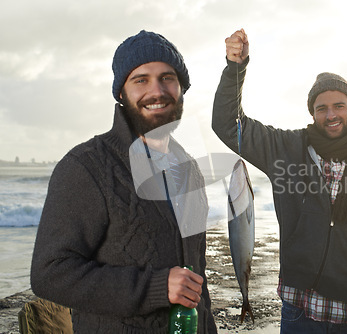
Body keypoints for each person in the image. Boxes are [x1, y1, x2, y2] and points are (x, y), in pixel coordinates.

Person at [212, 29, 347, 334]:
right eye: (321, 108)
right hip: (300, 309)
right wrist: (235, 67)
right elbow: (228, 124)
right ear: (312, 113)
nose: (330, 114)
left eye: (339, 106)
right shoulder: (286, 149)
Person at [31, 30, 217, 333]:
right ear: (121, 93)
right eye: (140, 80)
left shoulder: (189, 169)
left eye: (167, 78)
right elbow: (49, 274)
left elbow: (197, 280)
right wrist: (156, 287)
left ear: (181, 88)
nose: (156, 91)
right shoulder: (86, 166)